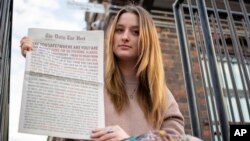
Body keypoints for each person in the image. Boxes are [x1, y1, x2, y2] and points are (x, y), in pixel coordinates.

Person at [20, 5, 185, 141]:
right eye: (119, 30)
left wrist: (130, 140)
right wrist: (38, 57)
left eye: (135, 32)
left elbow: (176, 139)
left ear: (148, 40)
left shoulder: (162, 96)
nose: (125, 37)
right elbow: (61, 128)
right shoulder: (89, 82)